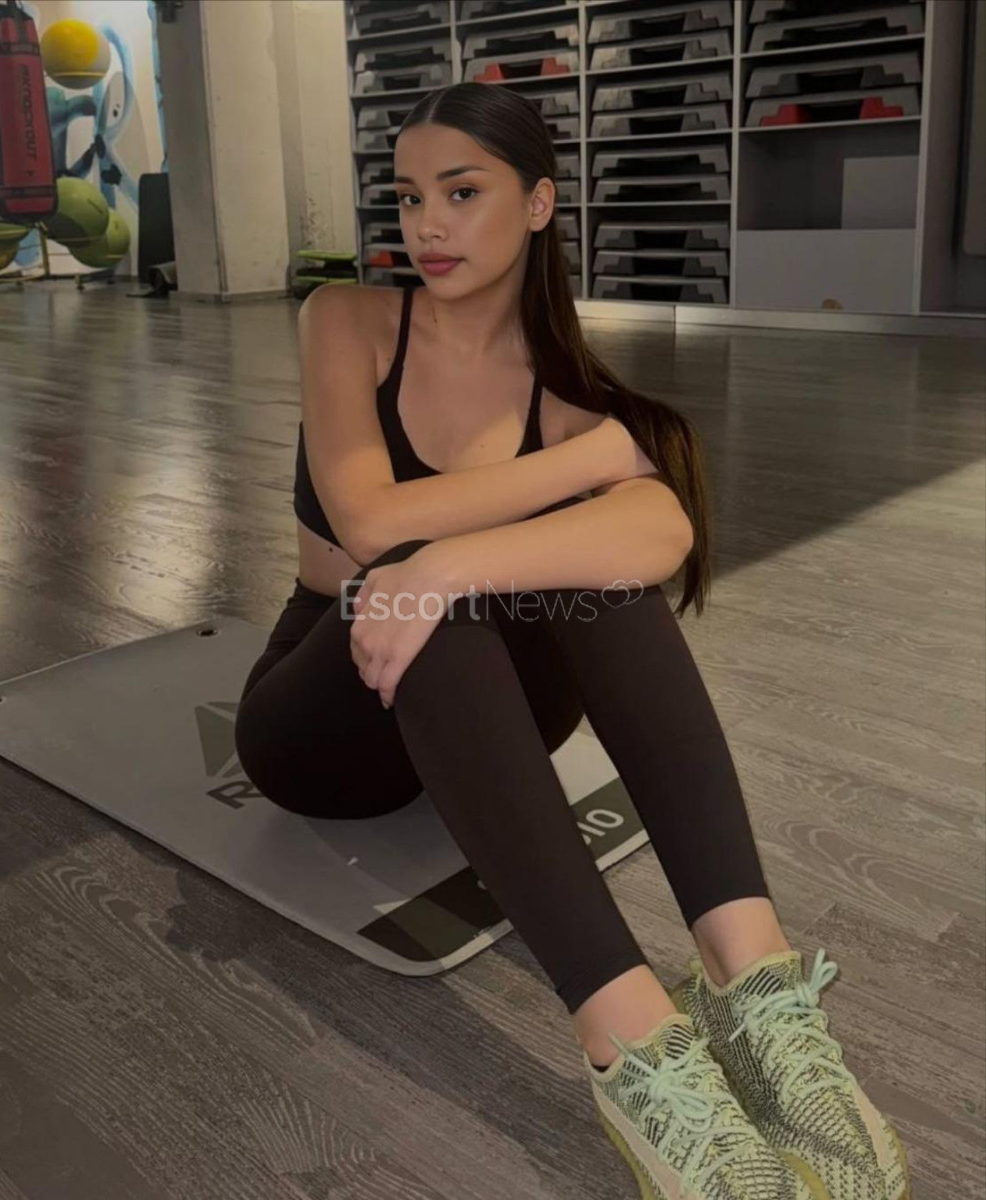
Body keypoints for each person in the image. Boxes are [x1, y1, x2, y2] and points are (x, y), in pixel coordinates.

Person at [234, 82, 910, 1200]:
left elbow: (663, 533)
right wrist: (586, 468)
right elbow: (368, 521)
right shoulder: (347, 320)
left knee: (587, 582)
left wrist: (458, 558)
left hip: (486, 697)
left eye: (463, 192)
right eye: (410, 196)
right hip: (328, 715)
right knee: (420, 584)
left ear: (539, 203)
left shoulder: (556, 389)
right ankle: (631, 1043)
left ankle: (754, 986)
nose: (428, 225)